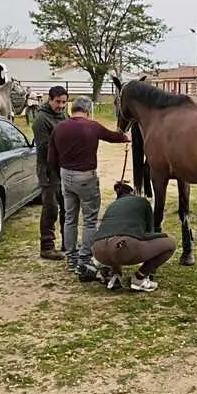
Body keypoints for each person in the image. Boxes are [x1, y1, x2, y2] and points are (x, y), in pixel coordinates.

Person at [47, 96, 130, 275]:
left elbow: (51, 158)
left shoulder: (59, 127)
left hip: (65, 175)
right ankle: (84, 259)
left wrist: (60, 176)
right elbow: (113, 137)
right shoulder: (92, 126)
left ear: (72, 109)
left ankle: (71, 258)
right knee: (90, 219)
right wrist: (126, 137)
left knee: (70, 218)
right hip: (86, 177)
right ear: (87, 111)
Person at [90, 181, 176, 292]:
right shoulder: (142, 202)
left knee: (115, 241)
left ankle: (115, 274)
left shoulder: (112, 205)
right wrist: (163, 236)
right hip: (124, 247)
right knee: (170, 244)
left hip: (98, 250)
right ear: (133, 192)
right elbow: (150, 233)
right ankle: (140, 277)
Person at [32, 85, 69, 260]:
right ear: (50, 99)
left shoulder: (63, 115)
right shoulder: (41, 119)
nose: (61, 105)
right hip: (48, 169)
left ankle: (67, 243)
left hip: (64, 168)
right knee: (51, 208)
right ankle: (47, 246)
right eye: (58, 102)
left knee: (67, 207)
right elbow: (44, 147)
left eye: (64, 102)